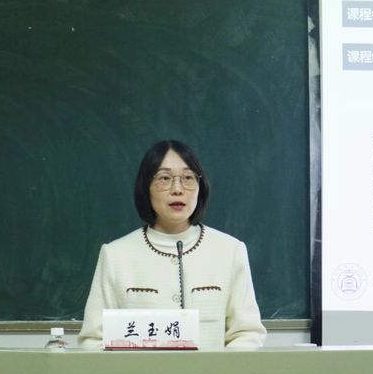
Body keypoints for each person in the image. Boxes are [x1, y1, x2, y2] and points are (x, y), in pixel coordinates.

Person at [78, 140, 266, 349]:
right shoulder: (116, 255)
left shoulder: (229, 251)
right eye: (164, 178)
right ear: (146, 188)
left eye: (188, 178)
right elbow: (94, 340)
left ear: (200, 187)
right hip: (138, 371)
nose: (177, 189)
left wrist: (217, 369)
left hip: (211, 371)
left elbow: (247, 334)